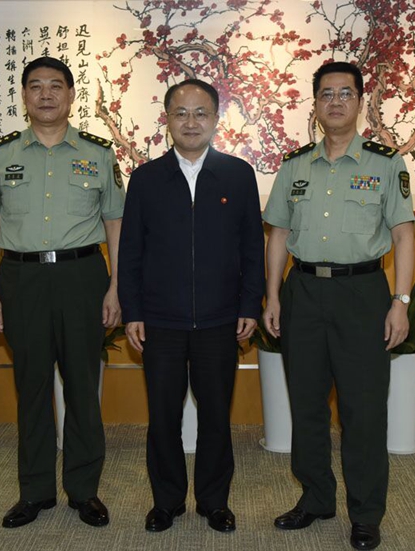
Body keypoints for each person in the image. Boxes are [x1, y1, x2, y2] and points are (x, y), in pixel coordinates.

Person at [262, 61, 415, 551]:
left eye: (345, 93)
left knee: (363, 409)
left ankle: (366, 513)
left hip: (362, 294)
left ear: (361, 102)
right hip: (303, 292)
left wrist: (401, 302)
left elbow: (403, 235)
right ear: (315, 103)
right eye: (326, 93)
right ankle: (315, 498)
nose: (335, 102)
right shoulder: (294, 166)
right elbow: (278, 234)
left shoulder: (385, 163)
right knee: (306, 404)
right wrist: (272, 295)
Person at [0, 56, 124, 530]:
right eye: (35, 86)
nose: (46, 95)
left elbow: (115, 225)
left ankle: (84, 490)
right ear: (24, 96)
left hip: (82, 277)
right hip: (23, 280)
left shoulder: (99, 153)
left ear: (71, 95)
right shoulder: (0, 155)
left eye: (55, 86)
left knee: (82, 387)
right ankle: (34, 492)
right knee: (32, 388)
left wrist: (116, 287)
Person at [118, 79, 265, 533]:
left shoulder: (238, 174)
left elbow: (251, 248)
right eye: (181, 113)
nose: (191, 122)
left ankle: (214, 501)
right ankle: (166, 502)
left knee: (216, 415)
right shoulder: (146, 179)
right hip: (160, 321)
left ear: (216, 119)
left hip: (220, 320)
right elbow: (131, 252)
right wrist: (133, 311)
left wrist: (250, 304)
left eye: (201, 113)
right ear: (167, 120)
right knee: (163, 416)